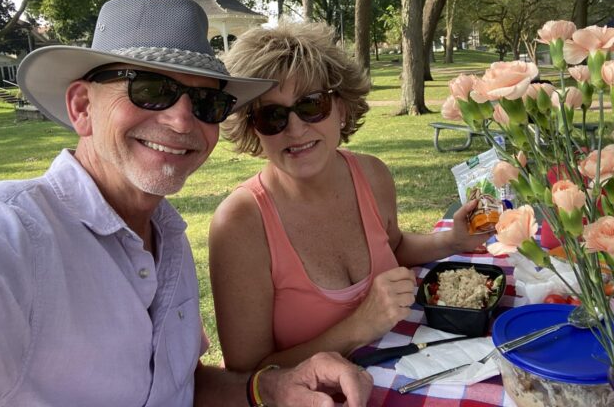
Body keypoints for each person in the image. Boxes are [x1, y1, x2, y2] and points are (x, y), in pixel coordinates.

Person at [0, 0, 372, 407]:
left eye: (208, 103)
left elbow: (179, 386)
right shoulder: (2, 238)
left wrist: (269, 389)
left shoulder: (167, 239)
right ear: (83, 107)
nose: (181, 119)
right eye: (151, 90)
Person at [210, 22, 492, 372]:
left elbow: (394, 246)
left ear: (341, 108)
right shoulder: (240, 224)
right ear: (253, 127)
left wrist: (453, 240)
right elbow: (247, 375)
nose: (295, 129)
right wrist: (359, 325)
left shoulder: (372, 175)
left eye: (311, 104)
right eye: (272, 115)